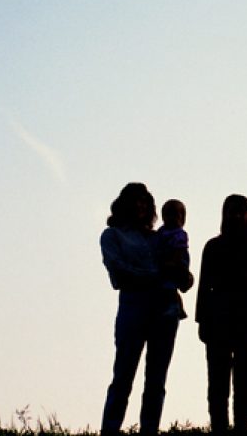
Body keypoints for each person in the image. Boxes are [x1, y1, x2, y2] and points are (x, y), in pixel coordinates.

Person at [99, 183, 184, 435]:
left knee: (157, 379)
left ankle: (149, 430)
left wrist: (181, 274)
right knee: (123, 376)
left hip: (165, 311)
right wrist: (158, 275)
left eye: (144, 202)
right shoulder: (112, 235)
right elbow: (118, 272)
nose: (140, 206)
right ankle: (110, 429)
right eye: (135, 201)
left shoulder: (160, 236)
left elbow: (181, 270)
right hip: (134, 308)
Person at [195, 194, 247, 433]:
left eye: (241, 211)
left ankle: (241, 424)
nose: (237, 216)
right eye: (232, 211)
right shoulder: (213, 247)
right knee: (217, 378)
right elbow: (203, 285)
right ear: (225, 215)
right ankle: (219, 425)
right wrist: (202, 320)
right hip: (218, 317)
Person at [157, 199, 194, 318]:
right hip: (165, 263)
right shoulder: (161, 232)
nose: (173, 218)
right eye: (169, 214)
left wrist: (173, 262)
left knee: (171, 289)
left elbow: (179, 250)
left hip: (177, 261)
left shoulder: (179, 234)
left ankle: (178, 308)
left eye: (177, 214)